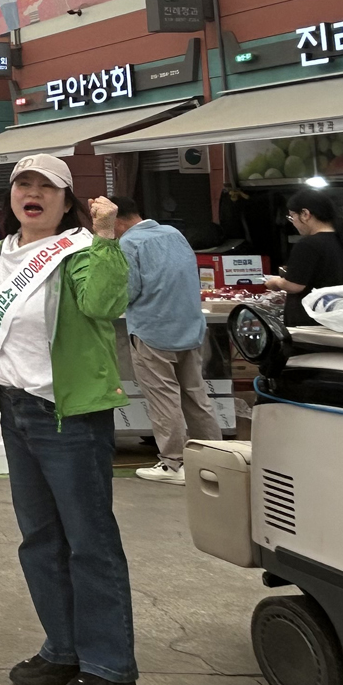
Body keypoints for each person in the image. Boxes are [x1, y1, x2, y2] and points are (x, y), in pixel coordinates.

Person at [0, 155, 135, 685]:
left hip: (68, 417)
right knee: (40, 540)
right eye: (24, 183)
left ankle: (111, 667)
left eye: (48, 186)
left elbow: (105, 304)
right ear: (12, 196)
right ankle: (64, 648)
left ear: (68, 203)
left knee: (89, 542)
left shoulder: (80, 252)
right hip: (16, 414)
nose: (33, 193)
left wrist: (107, 234)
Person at [108, 197, 218, 486]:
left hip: (152, 330)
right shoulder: (173, 233)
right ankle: (217, 457)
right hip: (190, 328)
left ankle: (173, 463)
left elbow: (128, 291)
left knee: (163, 399)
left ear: (117, 220)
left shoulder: (128, 245)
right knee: (196, 395)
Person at [262, 188, 343, 331]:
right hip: (340, 322)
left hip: (311, 326)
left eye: (292, 217)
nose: (293, 222)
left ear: (305, 214)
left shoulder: (308, 244)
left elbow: (294, 286)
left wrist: (276, 282)